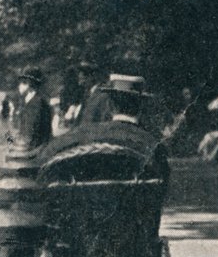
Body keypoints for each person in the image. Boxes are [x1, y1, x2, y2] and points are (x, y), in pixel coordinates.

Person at [40, 73, 170, 186]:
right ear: (141, 107)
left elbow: (45, 157)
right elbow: (160, 190)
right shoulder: (153, 145)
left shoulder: (83, 134)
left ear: (110, 105)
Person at [8, 66, 53, 155]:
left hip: (34, 151)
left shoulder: (38, 102)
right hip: (29, 148)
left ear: (29, 84)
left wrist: (19, 148)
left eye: (22, 83)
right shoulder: (29, 101)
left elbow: (32, 132)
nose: (19, 86)